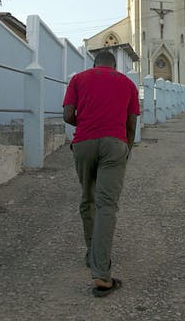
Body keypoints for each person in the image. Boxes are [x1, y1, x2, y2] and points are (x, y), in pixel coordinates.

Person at [62, 50, 140, 297]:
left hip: (83, 143)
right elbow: (131, 124)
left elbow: (67, 115)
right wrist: (126, 148)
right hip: (115, 144)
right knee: (107, 205)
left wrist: (87, 124)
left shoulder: (78, 79)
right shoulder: (128, 84)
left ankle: (91, 255)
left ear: (94, 64)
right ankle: (101, 274)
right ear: (114, 67)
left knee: (88, 200)